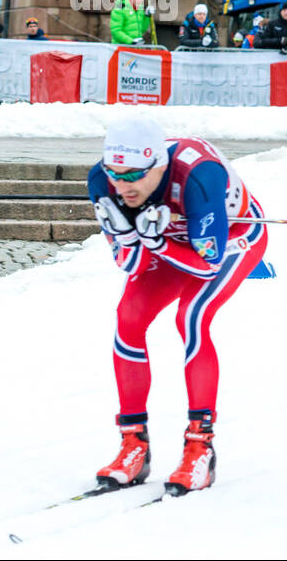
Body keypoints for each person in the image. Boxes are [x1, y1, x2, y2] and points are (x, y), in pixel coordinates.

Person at [86, 116, 267, 496]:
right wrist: (128, 235)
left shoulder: (200, 177)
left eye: (133, 175)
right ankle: (133, 445)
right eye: (114, 173)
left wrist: (155, 242)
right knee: (128, 318)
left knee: (192, 318)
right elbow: (130, 265)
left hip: (232, 239)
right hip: (168, 236)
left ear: (159, 166)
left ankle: (200, 448)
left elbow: (209, 261)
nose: (122, 185)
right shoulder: (102, 182)